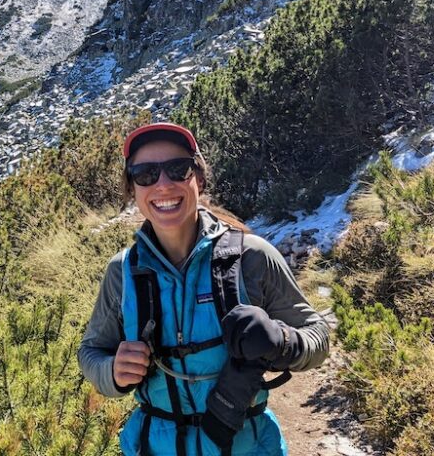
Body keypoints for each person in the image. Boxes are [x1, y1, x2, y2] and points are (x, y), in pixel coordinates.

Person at [78, 122, 330, 455]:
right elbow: (91, 352)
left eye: (178, 169)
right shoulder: (122, 273)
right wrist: (112, 371)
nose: (163, 185)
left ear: (198, 178)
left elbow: (317, 336)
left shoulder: (251, 256)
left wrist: (281, 341)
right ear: (133, 189)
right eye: (146, 174)